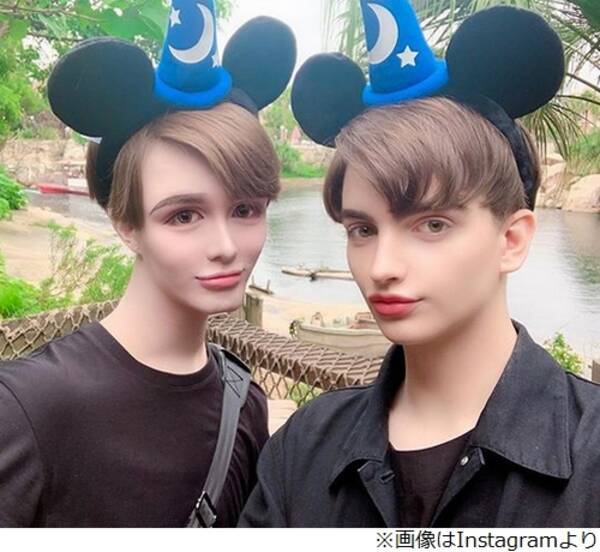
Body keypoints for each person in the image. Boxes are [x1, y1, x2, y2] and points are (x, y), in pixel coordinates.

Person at [239, 2, 600, 527]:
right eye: (362, 230)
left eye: (432, 225)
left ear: (512, 239)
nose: (382, 267)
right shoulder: (301, 451)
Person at [0, 0, 296, 527]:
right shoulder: (27, 407)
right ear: (126, 223)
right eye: (184, 216)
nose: (226, 245)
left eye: (246, 210)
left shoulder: (244, 402)